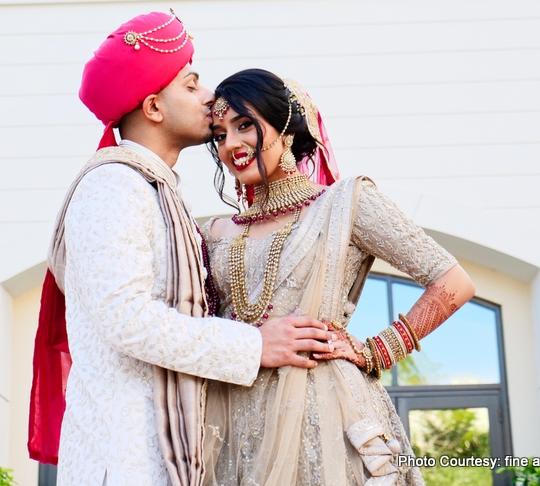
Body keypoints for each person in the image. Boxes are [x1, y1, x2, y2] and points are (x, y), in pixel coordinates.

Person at [27, 14, 335, 486]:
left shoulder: (154, 190)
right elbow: (126, 319)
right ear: (153, 107)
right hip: (124, 462)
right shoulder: (113, 186)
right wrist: (256, 344)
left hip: (160, 457)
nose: (210, 97)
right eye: (191, 86)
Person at [202, 69, 476, 485]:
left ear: (287, 128)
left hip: (325, 415)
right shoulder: (213, 232)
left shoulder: (345, 204)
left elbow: (453, 282)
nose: (231, 145)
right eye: (219, 134)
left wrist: (375, 351)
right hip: (232, 420)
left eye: (244, 125)